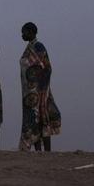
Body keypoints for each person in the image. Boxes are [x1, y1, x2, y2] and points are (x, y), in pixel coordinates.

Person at [19, 22, 61, 151]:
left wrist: (42, 88)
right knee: (33, 119)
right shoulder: (28, 48)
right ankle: (38, 150)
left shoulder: (38, 46)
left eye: (24, 32)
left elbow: (47, 67)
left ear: (31, 32)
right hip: (29, 92)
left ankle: (47, 151)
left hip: (40, 90)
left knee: (43, 117)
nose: (22, 35)